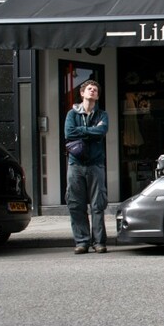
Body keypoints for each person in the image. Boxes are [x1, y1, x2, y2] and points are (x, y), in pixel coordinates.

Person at [64, 80, 110, 254]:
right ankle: (82, 242)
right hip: (75, 165)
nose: (92, 91)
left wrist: (82, 131)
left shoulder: (102, 115)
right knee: (76, 204)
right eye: (89, 89)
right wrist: (91, 131)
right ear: (82, 93)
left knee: (98, 205)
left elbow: (102, 131)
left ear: (97, 96)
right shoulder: (71, 114)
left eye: (95, 90)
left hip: (96, 164)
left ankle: (99, 242)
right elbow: (69, 133)